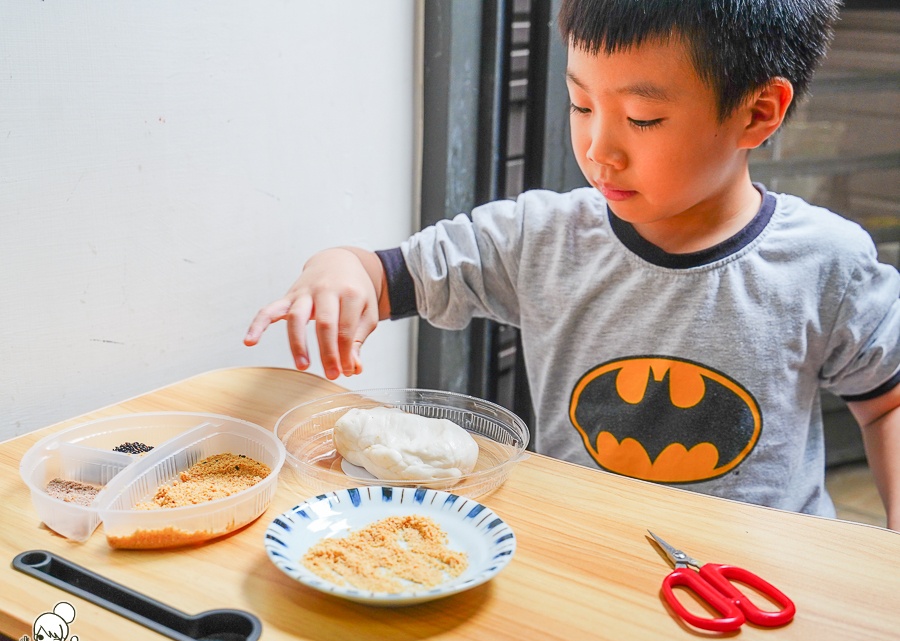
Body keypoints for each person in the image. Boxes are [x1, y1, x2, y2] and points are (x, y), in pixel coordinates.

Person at [245, 0, 900, 530]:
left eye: (643, 118)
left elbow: (887, 403)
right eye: (581, 104)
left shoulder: (826, 263)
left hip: (760, 572)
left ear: (759, 113)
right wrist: (336, 273)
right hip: (582, 543)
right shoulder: (539, 236)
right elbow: (381, 274)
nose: (597, 149)